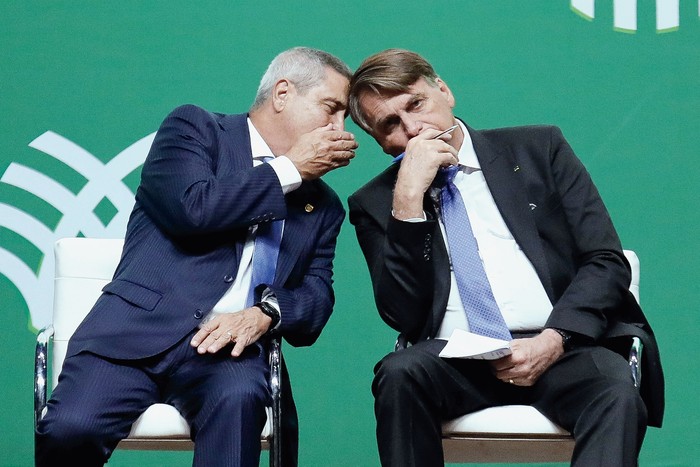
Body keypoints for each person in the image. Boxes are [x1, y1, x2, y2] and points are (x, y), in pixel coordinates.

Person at [35, 46, 358, 467]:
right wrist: (289, 171)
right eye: (331, 109)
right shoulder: (196, 130)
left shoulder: (323, 205)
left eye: (345, 118)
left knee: (240, 402)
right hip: (133, 336)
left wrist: (266, 313)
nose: (339, 128)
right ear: (283, 94)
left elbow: (316, 297)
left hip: (227, 353)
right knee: (70, 429)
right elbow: (193, 209)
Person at [346, 48, 663, 467]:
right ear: (379, 141)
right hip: (456, 359)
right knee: (399, 374)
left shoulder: (537, 149)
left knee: (615, 390)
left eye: (416, 104)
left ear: (443, 90)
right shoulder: (375, 202)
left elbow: (605, 260)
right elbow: (403, 315)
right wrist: (407, 202)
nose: (413, 129)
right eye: (391, 124)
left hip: (562, 346)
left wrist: (555, 339)